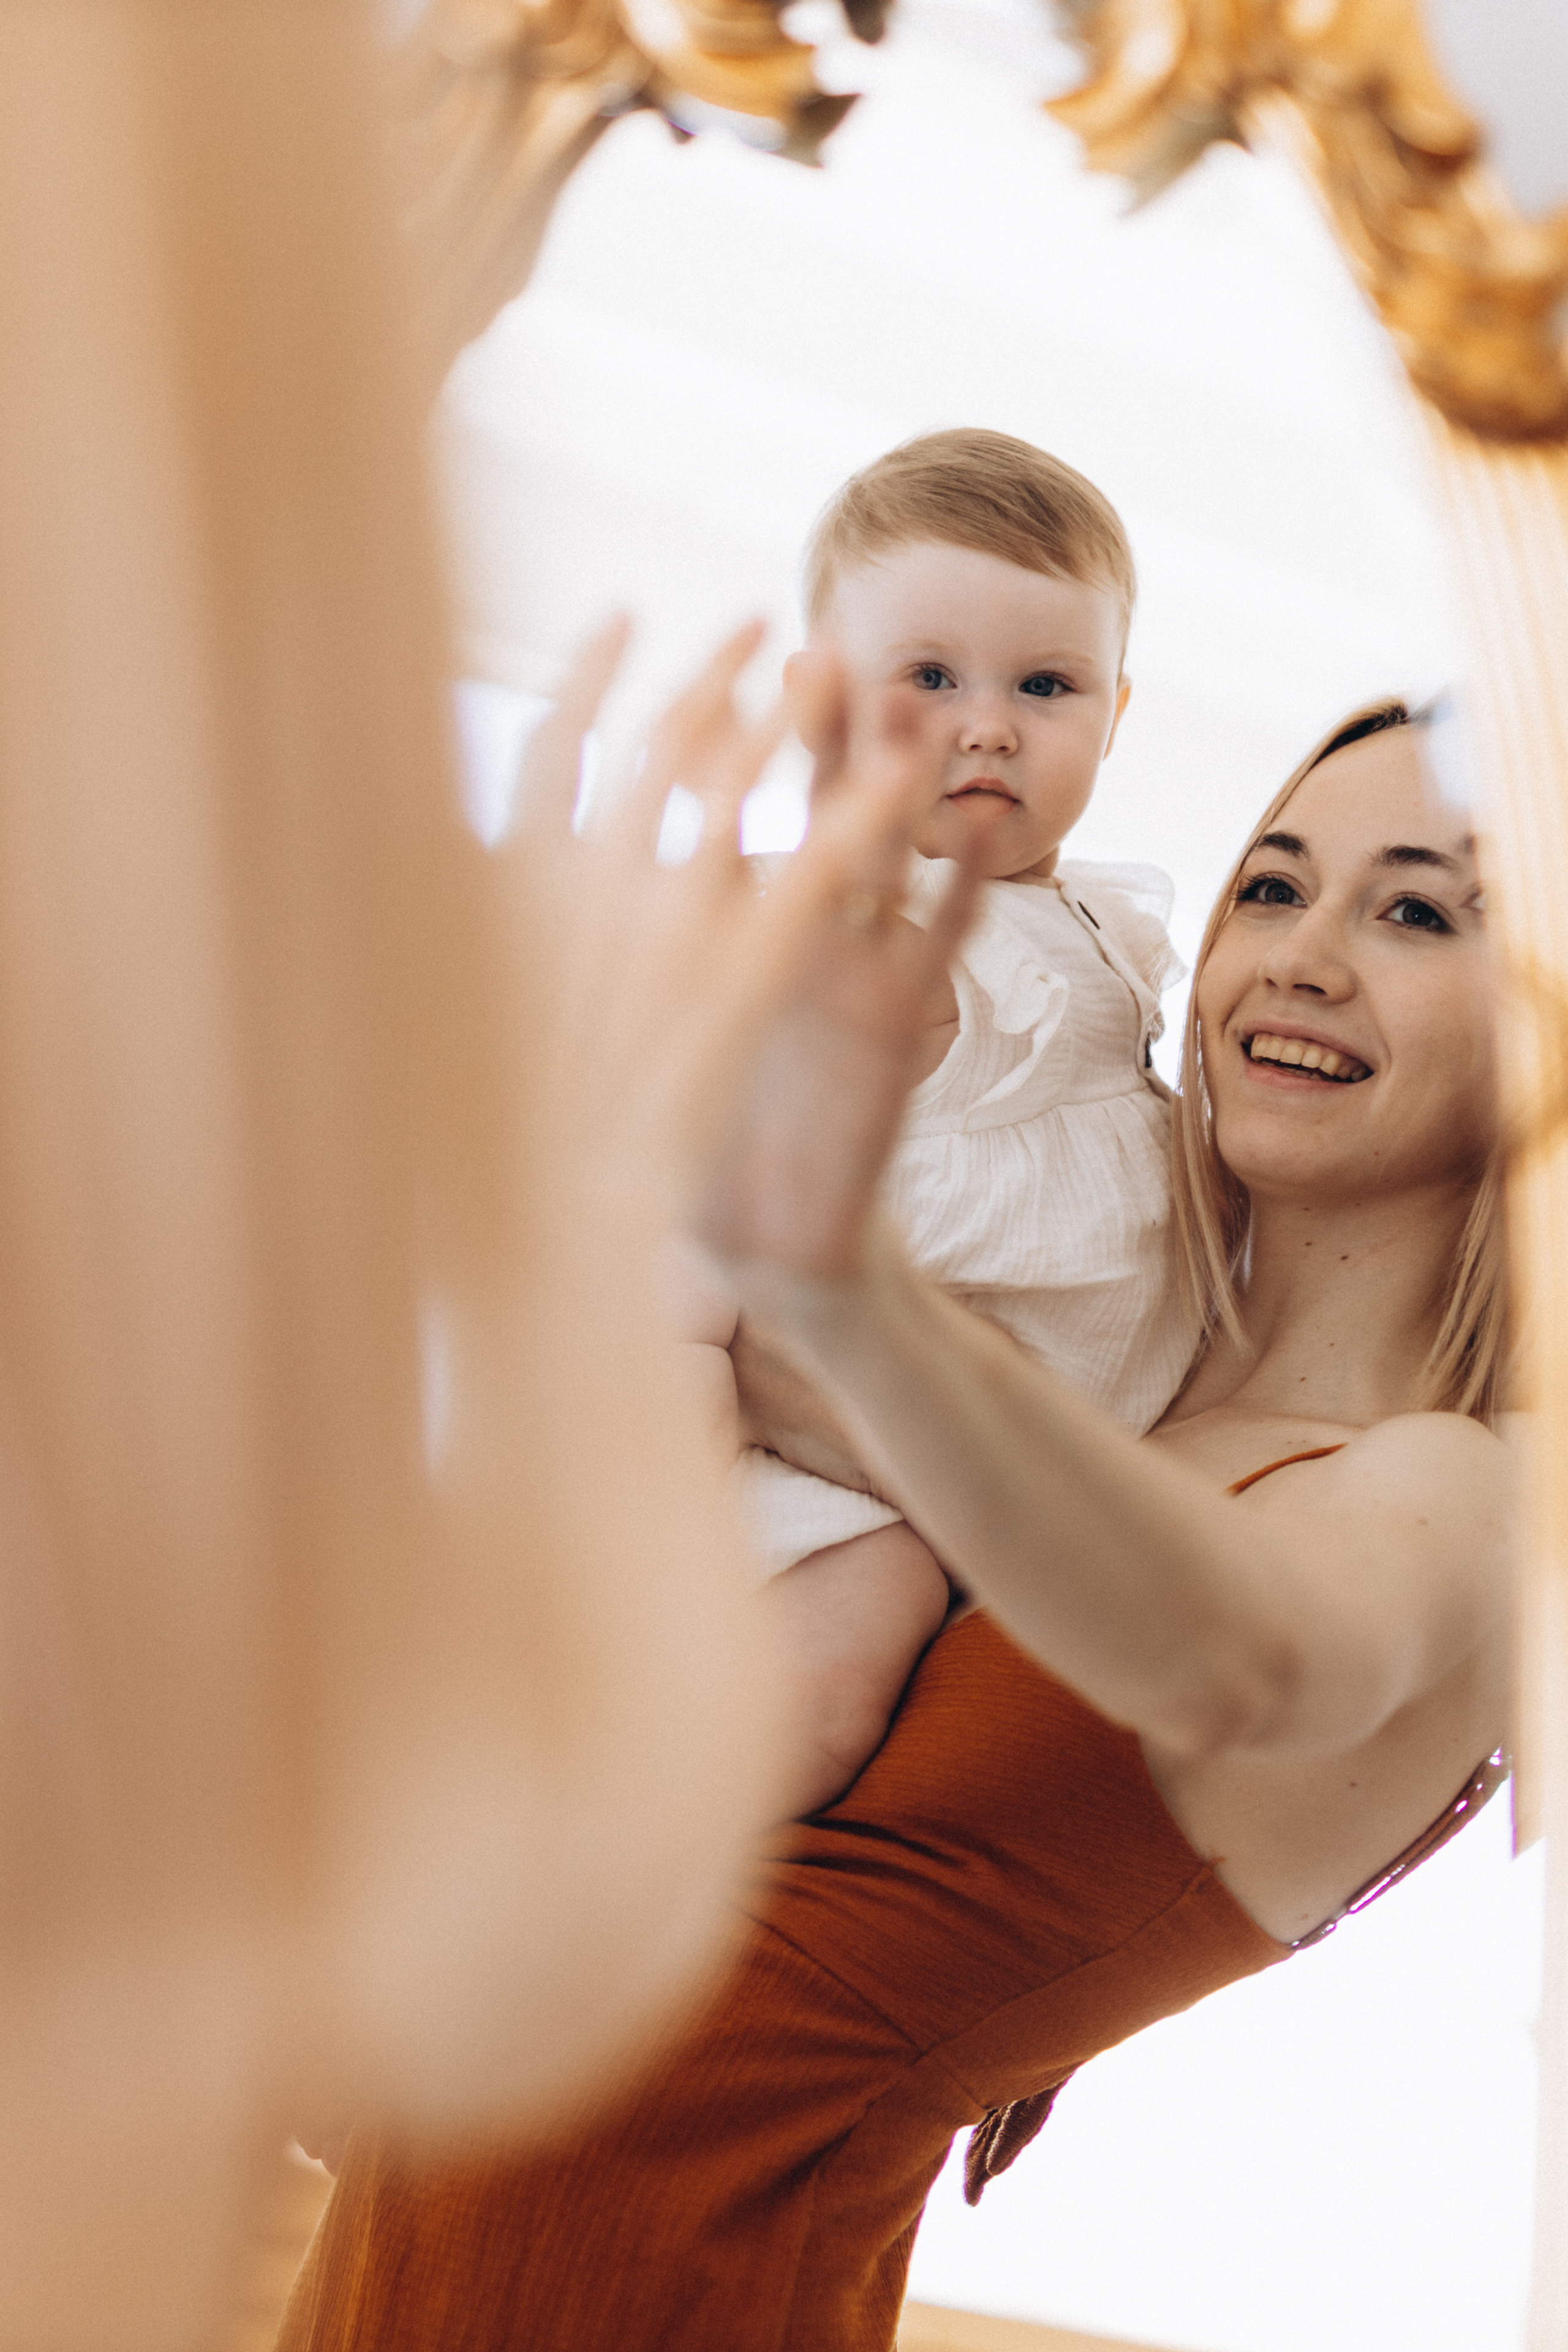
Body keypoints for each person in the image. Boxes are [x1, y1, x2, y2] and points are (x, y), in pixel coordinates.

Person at [279, 693, 1512, 2352]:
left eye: (1421, 908)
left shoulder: (1468, 1494)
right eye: (1274, 887)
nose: (1301, 954)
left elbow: (1238, 1656)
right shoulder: (1099, 1392)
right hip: (445, 2228)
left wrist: (824, 1263)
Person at [683, 430, 1199, 1814]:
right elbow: (695, 1155)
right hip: (825, 1475)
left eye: (1045, 685)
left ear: (1115, 711)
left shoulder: (1101, 923)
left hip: (1008, 1478)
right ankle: (648, 1866)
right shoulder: (848, 922)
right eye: (927, 680)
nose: (988, 724)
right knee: (824, 1696)